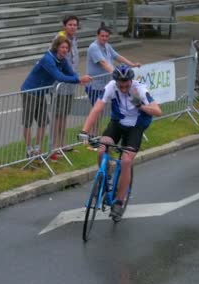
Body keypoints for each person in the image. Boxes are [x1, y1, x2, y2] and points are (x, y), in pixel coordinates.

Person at [78, 65, 162, 220]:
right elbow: (97, 109)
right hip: (118, 123)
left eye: (126, 85)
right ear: (115, 82)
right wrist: (84, 131)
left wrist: (141, 106)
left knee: (125, 161)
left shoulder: (140, 89)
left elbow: (158, 111)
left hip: (136, 126)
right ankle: (105, 176)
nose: (123, 88)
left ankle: (119, 201)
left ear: (131, 81)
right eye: (120, 85)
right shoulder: (111, 87)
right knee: (103, 149)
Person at [20, 36, 92, 158]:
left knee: (43, 122)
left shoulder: (62, 60)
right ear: (56, 47)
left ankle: (37, 149)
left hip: (42, 92)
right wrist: (78, 80)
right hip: (30, 91)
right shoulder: (48, 59)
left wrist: (77, 78)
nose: (65, 50)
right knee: (28, 122)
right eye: (62, 47)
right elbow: (58, 76)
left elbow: (69, 72)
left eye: (67, 48)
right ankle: (28, 149)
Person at [50, 15, 80, 161]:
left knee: (64, 115)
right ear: (64, 25)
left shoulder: (75, 40)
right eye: (70, 24)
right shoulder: (59, 38)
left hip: (70, 84)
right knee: (57, 115)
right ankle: (54, 145)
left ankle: (62, 143)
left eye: (75, 25)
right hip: (60, 84)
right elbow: (55, 60)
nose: (73, 27)